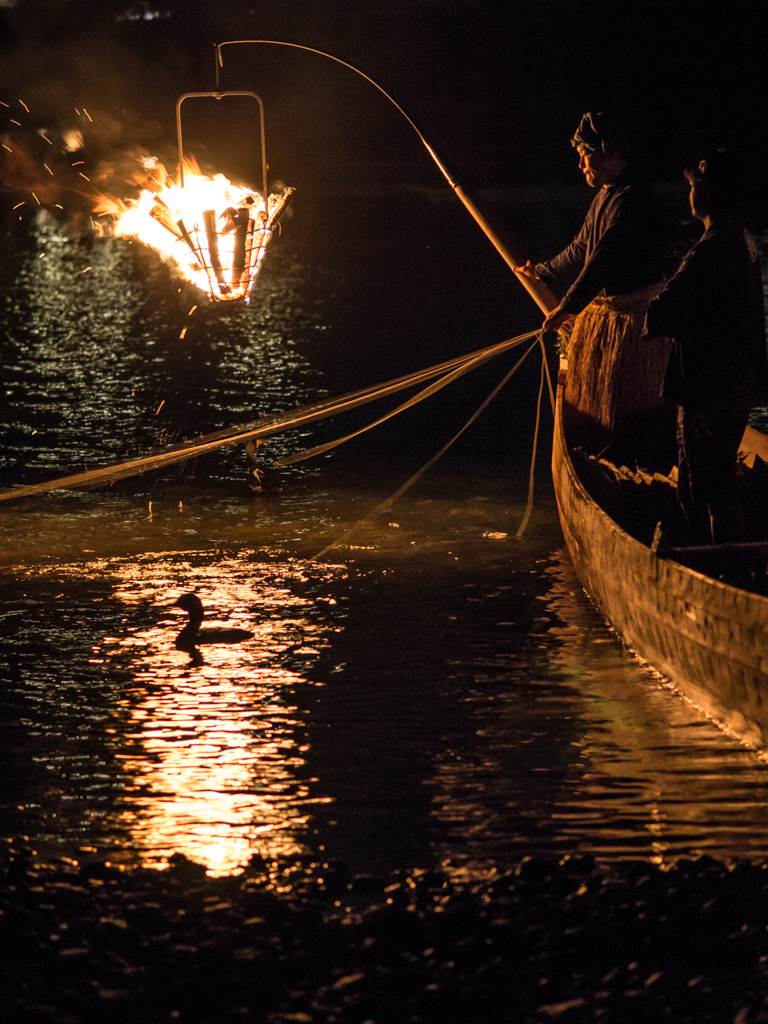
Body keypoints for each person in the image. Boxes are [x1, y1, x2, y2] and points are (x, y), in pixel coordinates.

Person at [515, 112, 674, 465]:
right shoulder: (606, 195)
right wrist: (539, 271)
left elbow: (604, 259)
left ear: (606, 153)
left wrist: (567, 307)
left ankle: (634, 460)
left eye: (583, 155)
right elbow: (581, 248)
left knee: (628, 400)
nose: (580, 164)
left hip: (635, 324)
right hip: (610, 316)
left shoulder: (632, 200)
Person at [644, 151, 768, 544]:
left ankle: (712, 563)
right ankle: (724, 557)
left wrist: (650, 314)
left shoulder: (712, 248)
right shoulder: (742, 241)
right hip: (734, 385)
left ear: (710, 194)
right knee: (717, 483)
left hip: (706, 389)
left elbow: (667, 309)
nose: (690, 196)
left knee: (703, 485)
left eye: (694, 187)